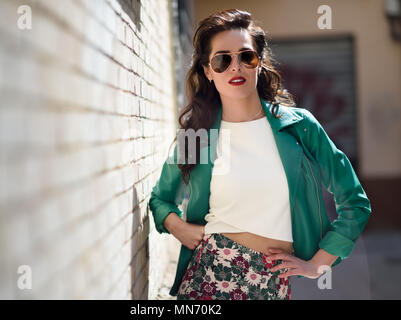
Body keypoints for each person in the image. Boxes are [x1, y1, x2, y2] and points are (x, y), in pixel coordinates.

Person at [148, 8, 372, 300]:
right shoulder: (200, 135)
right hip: (210, 277)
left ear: (260, 63)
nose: (235, 66)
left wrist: (318, 264)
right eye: (222, 59)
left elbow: (355, 202)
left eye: (246, 56)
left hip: (272, 284)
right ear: (207, 71)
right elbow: (161, 198)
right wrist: (178, 227)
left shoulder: (299, 126)